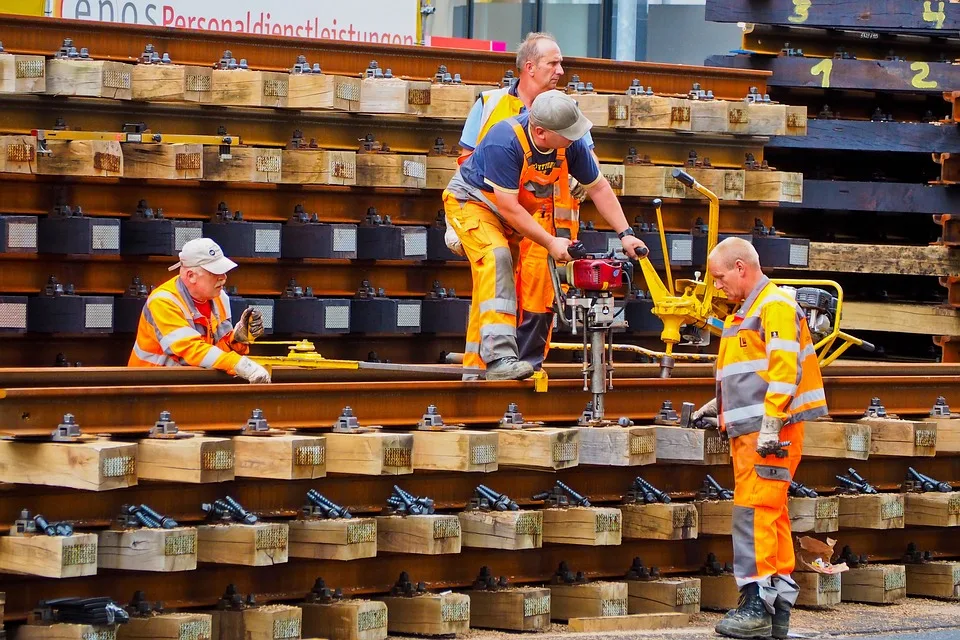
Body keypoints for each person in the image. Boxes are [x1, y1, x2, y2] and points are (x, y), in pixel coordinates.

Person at [442, 90, 647, 380]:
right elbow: (509, 207)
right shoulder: (506, 140)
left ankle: (476, 372)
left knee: (495, 284)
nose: (574, 139)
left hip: (505, 215)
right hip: (470, 204)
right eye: (568, 134)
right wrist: (551, 243)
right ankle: (500, 358)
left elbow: (598, 187)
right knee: (497, 258)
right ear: (540, 133)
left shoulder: (569, 145)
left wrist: (626, 233)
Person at [691, 237, 827, 639]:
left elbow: (785, 369)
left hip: (770, 433)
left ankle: (757, 603)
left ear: (740, 267)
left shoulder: (775, 307)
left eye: (719, 278)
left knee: (755, 514)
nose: (717, 287)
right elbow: (753, 374)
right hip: (756, 432)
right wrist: (717, 407)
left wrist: (770, 424)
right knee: (771, 513)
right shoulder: (749, 313)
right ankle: (776, 610)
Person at [447, 32, 592, 374]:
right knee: (494, 285)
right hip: (503, 214)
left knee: (539, 303)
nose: (561, 70)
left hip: (548, 228)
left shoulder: (566, 112)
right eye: (553, 63)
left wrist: (580, 182)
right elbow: (468, 166)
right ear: (530, 67)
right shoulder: (491, 105)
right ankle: (482, 368)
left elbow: (591, 172)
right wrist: (457, 224)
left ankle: (522, 375)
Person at [128, 237, 271, 383]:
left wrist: (237, 339)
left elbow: (215, 353)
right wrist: (239, 364)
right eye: (215, 273)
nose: (223, 278)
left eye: (223, 271)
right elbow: (189, 351)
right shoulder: (163, 302)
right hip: (151, 387)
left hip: (187, 384)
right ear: (191, 276)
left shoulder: (219, 297)